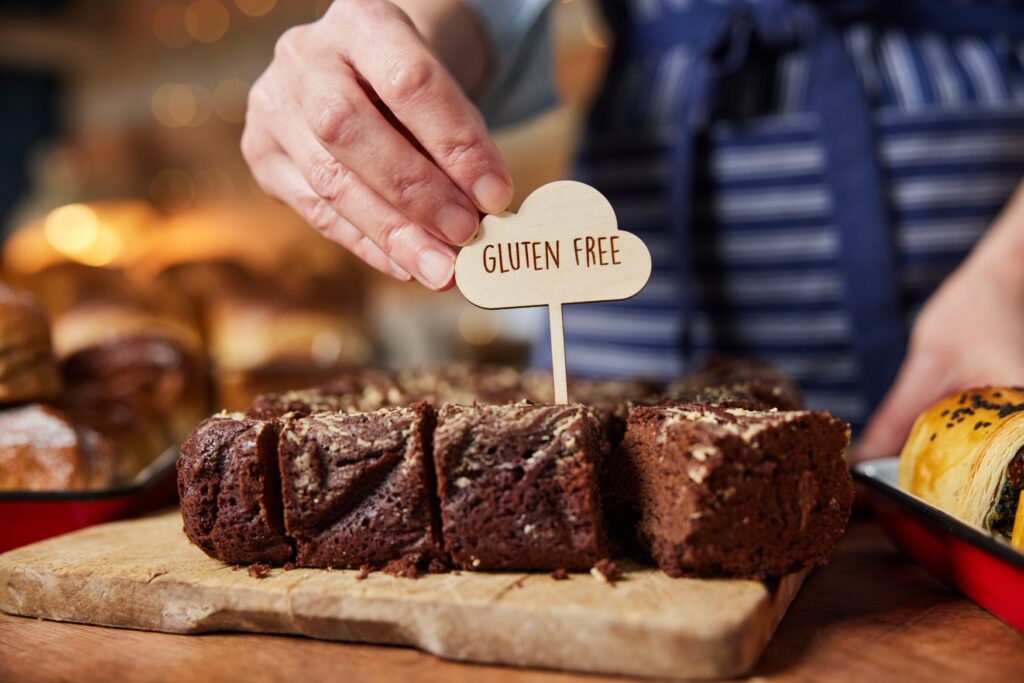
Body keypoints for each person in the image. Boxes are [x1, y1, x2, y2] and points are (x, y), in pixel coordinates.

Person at [242, 0, 1024, 461]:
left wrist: (1008, 280)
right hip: (636, 280)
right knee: (582, 465)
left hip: (989, 312)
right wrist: (393, 50)